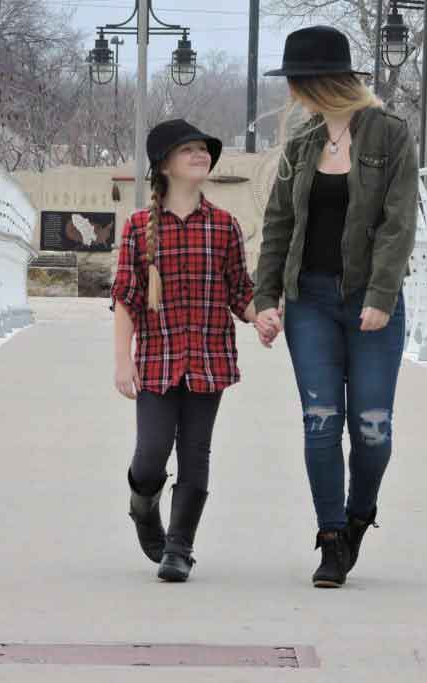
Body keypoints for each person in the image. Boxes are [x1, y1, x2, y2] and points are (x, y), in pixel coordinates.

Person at [254, 26, 419, 588]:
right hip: (310, 303)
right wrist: (265, 299)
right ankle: (330, 538)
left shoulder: (390, 134)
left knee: (372, 429)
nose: (292, 92)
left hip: (371, 304)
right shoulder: (303, 142)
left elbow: (399, 223)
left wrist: (381, 295)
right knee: (321, 422)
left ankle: (358, 515)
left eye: (297, 81)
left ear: (320, 82)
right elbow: (279, 223)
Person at [111, 119, 272, 582]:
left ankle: (179, 548)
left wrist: (260, 316)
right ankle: (144, 507)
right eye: (189, 150)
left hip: (208, 359)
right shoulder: (138, 227)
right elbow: (126, 298)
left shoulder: (224, 226)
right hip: (157, 361)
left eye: (204, 149)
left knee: (196, 453)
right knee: (151, 454)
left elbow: (239, 291)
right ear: (164, 165)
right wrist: (122, 361)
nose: (201, 155)